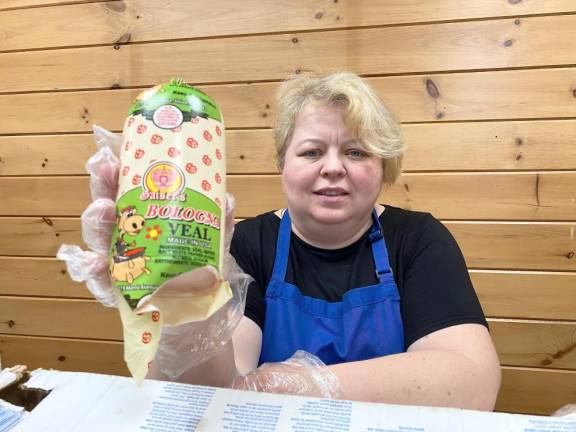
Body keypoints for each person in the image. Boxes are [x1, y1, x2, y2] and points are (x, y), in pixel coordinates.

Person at [71, 72, 501, 411]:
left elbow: (471, 382)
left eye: (356, 152)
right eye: (312, 152)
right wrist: (185, 310)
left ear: (384, 166)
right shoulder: (249, 244)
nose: (333, 167)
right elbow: (214, 390)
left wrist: (301, 384)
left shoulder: (418, 239)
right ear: (284, 165)